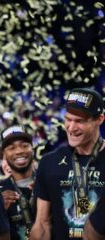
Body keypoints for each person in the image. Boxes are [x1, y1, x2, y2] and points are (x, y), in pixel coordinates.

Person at [31, 88, 105, 239]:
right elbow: (42, 223)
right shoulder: (49, 162)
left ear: (100, 119)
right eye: (68, 119)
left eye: (79, 121)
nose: (71, 128)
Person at [0, 125, 36, 239]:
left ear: (32, 148)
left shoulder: (48, 181)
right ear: (4, 154)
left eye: (24, 145)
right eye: (11, 148)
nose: (19, 151)